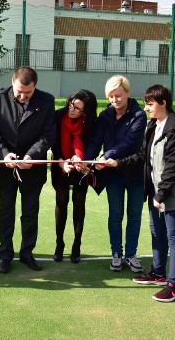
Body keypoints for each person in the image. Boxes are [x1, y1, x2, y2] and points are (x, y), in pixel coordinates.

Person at [106, 85, 175, 302]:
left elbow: (174, 165)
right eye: (146, 104)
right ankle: (158, 273)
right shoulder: (153, 126)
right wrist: (118, 163)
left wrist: (161, 194)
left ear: (163, 102)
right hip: (156, 191)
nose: (146, 108)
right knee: (157, 232)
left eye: (150, 104)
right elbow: (141, 156)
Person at [0, 66, 55, 274]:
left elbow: (48, 135)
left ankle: (27, 253)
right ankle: (5, 254)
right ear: (13, 83)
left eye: (28, 92)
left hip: (32, 169)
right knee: (5, 213)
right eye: (19, 92)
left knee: (30, 213)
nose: (23, 96)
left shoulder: (47, 101)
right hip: (5, 168)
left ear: (35, 87)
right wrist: (4, 153)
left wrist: (32, 155)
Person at [82, 75, 146, 273]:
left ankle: (131, 254)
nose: (114, 100)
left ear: (128, 92)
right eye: (110, 97)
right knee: (115, 214)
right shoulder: (105, 115)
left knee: (134, 215)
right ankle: (116, 254)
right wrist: (87, 159)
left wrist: (106, 156)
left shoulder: (139, 115)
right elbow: (95, 141)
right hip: (113, 175)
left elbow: (130, 143)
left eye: (118, 95)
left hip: (135, 173)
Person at [50, 89, 97, 263]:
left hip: (81, 165)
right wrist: (62, 160)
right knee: (61, 201)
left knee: (79, 202)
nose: (72, 109)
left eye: (78, 108)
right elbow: (53, 141)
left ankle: (76, 244)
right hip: (60, 163)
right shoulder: (57, 116)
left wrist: (82, 159)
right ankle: (59, 243)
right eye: (71, 104)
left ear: (86, 111)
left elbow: (93, 143)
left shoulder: (91, 123)